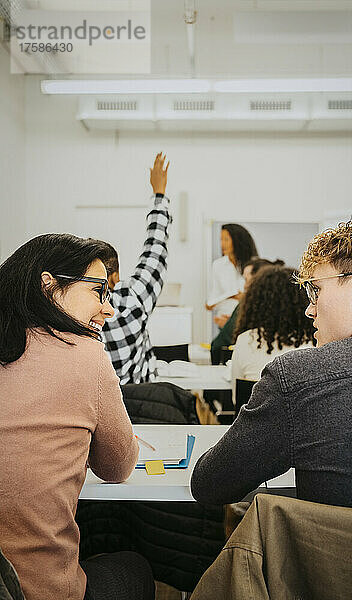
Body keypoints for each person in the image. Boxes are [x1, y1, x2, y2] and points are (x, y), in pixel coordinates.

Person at [191, 217, 352, 511]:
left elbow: (209, 485)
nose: (309, 308)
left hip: (327, 556)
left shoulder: (297, 377)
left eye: (316, 290)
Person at [0, 234, 154, 600]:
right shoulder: (85, 356)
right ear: (48, 283)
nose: (108, 308)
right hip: (38, 588)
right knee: (134, 567)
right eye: (98, 291)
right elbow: (117, 468)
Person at [98, 152, 171, 384]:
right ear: (115, 277)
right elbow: (155, 246)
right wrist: (159, 194)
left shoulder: (71, 315)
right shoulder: (131, 298)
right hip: (143, 411)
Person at [230, 266, 315, 403]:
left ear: (254, 303)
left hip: (252, 423)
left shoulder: (246, 340)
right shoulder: (311, 345)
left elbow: (236, 399)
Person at [210, 257, 284, 365]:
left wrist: (231, 325)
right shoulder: (288, 309)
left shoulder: (246, 306)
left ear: (259, 279)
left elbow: (218, 345)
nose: (244, 286)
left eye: (246, 280)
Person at [206, 223, 258, 320]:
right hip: (224, 318)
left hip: (245, 319)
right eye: (221, 239)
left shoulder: (253, 265)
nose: (222, 244)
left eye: (226, 239)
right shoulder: (218, 265)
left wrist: (243, 297)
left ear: (237, 241)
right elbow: (214, 295)